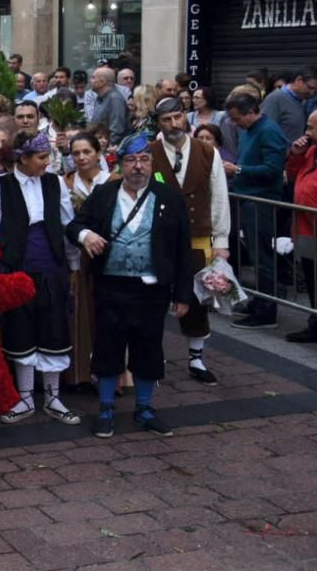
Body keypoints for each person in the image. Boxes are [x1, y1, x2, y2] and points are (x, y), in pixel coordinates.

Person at [68, 134, 194, 438]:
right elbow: (73, 225)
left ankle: (145, 408)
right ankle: (107, 408)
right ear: (120, 164)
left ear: (151, 163)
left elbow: (182, 249)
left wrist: (183, 294)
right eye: (131, 160)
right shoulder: (104, 194)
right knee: (108, 347)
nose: (138, 166)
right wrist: (87, 236)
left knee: (148, 347)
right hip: (111, 286)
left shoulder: (169, 198)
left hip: (151, 289)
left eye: (144, 160)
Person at [0, 130, 79, 426]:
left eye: (47, 156)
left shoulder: (56, 183)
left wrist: (73, 265)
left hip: (51, 267)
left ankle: (53, 397)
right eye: (41, 157)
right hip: (16, 268)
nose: (47, 162)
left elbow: (66, 224)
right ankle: (24, 398)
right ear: (22, 158)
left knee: (53, 329)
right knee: (21, 331)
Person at [151, 97, 230, 385]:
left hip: (198, 236)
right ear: (158, 123)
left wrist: (221, 240)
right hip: (157, 238)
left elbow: (219, 196)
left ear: (185, 116)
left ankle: (196, 357)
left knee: (197, 297)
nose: (173, 124)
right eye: (166, 120)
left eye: (177, 117)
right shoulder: (149, 152)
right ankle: (152, 354)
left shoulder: (207, 152)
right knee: (155, 294)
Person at [224, 92, 289, 329]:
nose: (234, 123)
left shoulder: (269, 131)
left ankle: (266, 310)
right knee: (255, 253)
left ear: (251, 112)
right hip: (249, 199)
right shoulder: (250, 131)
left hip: (261, 201)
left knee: (262, 256)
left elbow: (272, 169)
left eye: (237, 118)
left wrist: (238, 170)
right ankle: (260, 301)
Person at [63, 133, 113, 388]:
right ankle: (81, 371)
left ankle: (110, 373)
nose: (81, 157)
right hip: (79, 255)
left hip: (109, 254)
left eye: (86, 152)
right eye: (76, 153)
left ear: (97, 153)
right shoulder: (67, 182)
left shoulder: (112, 181)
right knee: (81, 313)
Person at [285, 109, 317, 343]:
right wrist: (296, 155)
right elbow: (292, 175)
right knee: (314, 281)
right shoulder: (312, 151)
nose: (306, 132)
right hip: (308, 229)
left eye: (312, 127)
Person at [261, 67, 317, 143]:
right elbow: (265, 132)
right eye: (310, 87)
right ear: (299, 80)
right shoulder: (275, 98)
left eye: (315, 91)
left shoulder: (302, 102)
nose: (312, 93)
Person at [89, 67, 129, 145]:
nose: (90, 81)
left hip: (109, 149)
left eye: (93, 78)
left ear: (102, 82)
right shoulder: (99, 98)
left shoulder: (115, 99)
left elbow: (117, 129)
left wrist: (108, 148)